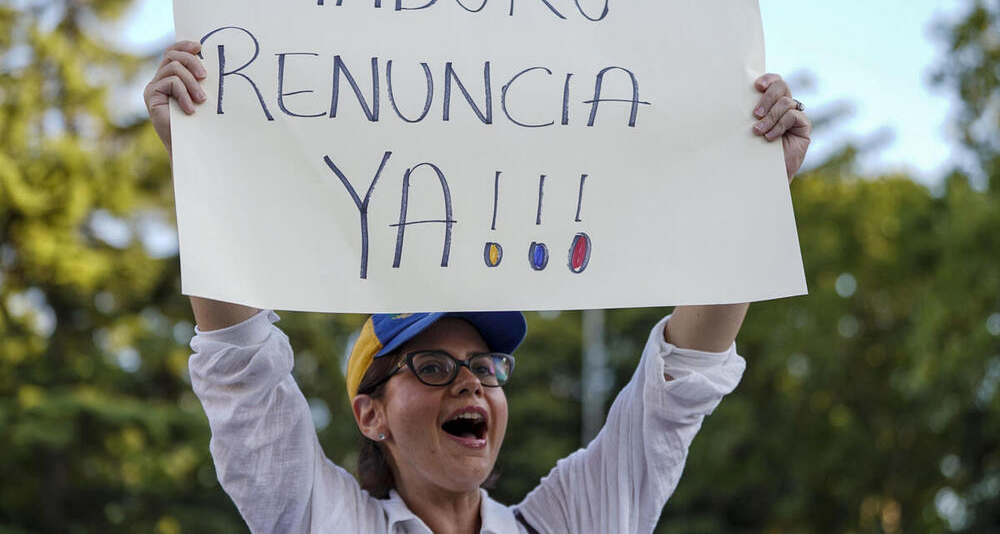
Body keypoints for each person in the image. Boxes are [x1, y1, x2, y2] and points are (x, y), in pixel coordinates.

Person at [144, 40, 812, 534]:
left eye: (485, 367)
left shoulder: (567, 522)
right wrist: (203, 165)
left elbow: (675, 393)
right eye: (433, 365)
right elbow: (245, 372)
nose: (471, 385)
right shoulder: (327, 519)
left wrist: (751, 193)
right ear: (369, 414)